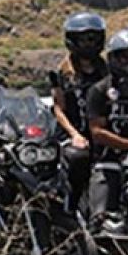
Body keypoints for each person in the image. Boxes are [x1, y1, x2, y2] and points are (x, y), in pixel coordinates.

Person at [85, 28, 128, 227]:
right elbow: (97, 132)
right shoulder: (99, 90)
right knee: (101, 220)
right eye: (125, 57)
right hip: (109, 157)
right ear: (114, 58)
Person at [49, 12, 107, 212]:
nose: (88, 44)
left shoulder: (107, 72)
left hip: (100, 132)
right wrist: (75, 135)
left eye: (93, 38)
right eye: (83, 39)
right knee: (78, 158)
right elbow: (58, 108)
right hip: (72, 133)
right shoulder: (61, 73)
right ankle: (70, 208)